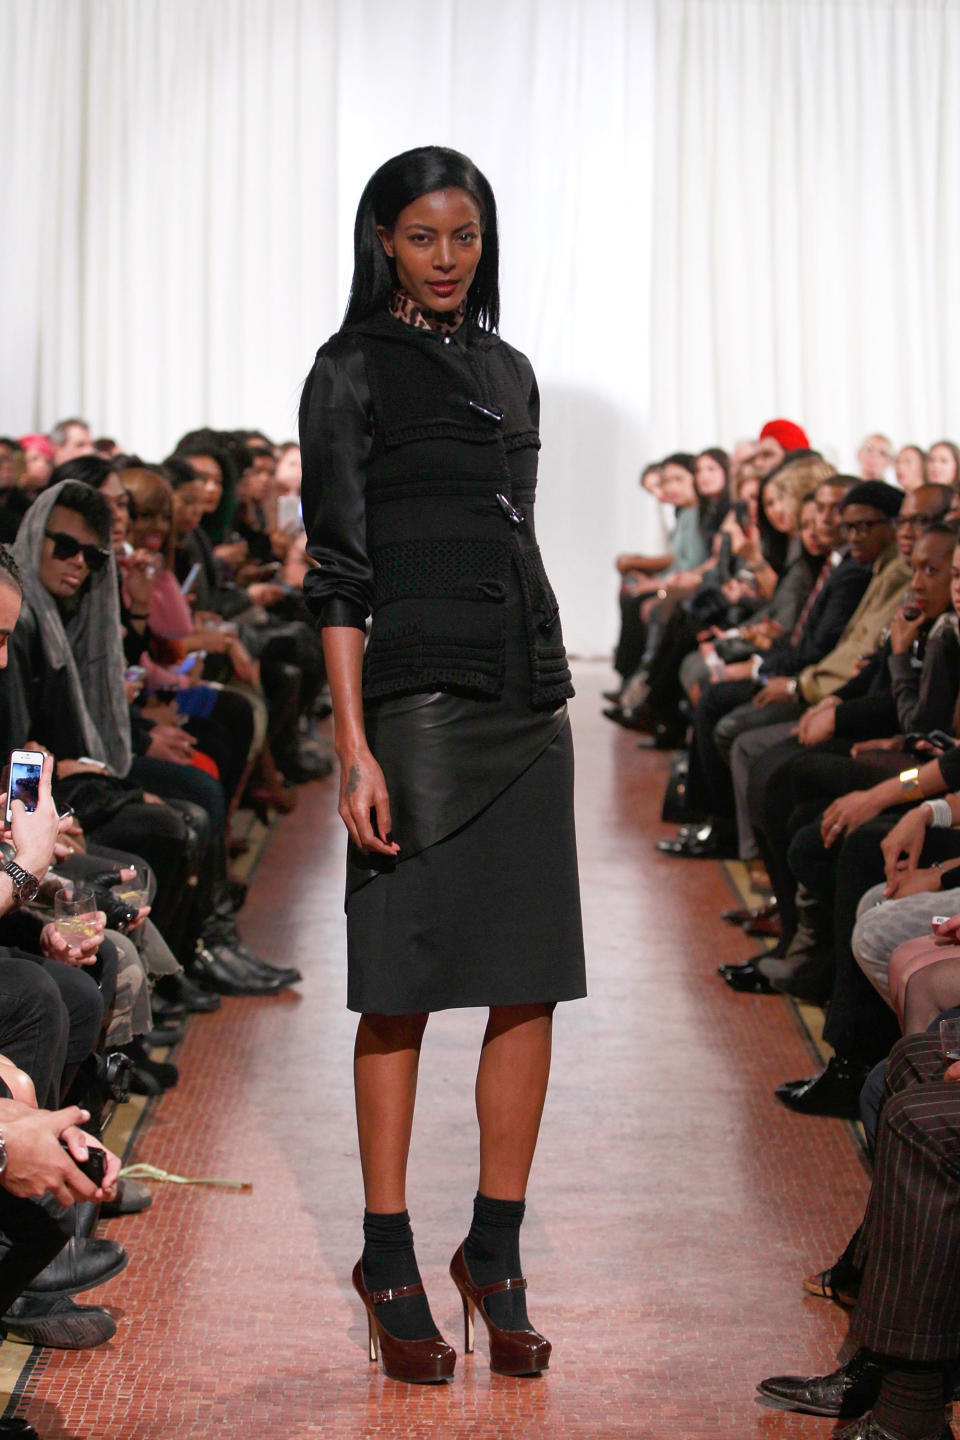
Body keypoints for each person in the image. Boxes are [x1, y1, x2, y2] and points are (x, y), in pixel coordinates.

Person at [299, 145, 586, 1385]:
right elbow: (338, 570)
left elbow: (509, 532)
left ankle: (498, 1249)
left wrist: (548, 673)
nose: (449, 257)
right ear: (382, 243)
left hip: (525, 697)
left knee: (528, 980)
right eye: (424, 236)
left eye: (466, 235)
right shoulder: (349, 370)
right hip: (412, 706)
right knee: (401, 979)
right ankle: (386, 1251)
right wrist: (352, 743)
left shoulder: (513, 372)